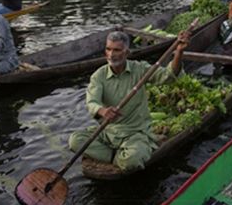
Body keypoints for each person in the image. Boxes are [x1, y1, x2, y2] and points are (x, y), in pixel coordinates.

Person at [68, 29, 190, 172]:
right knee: (75, 141)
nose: (111, 54)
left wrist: (179, 52)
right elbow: (92, 101)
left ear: (126, 52)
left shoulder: (139, 69)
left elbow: (168, 76)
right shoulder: (99, 76)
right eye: (108, 49)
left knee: (132, 160)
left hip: (135, 132)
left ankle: (120, 156)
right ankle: (115, 157)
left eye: (117, 50)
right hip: (108, 131)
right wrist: (102, 110)